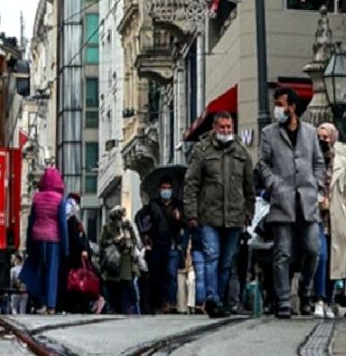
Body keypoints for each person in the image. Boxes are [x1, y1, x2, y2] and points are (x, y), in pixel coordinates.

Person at [256, 87, 325, 319]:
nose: (277, 108)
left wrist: (317, 184)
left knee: (313, 249)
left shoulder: (310, 132)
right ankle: (284, 300)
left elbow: (318, 162)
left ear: (292, 107)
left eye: (280, 104)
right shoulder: (269, 133)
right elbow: (263, 163)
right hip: (282, 200)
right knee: (282, 252)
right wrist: (273, 184)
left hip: (307, 199)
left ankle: (306, 292)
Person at [185, 111, 255, 318]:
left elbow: (249, 187)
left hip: (234, 217)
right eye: (222, 127)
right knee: (212, 255)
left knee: (226, 261)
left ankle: (220, 299)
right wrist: (192, 213)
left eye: (229, 127)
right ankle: (212, 298)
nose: (226, 131)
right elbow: (191, 184)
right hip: (209, 215)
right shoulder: (202, 151)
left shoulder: (241, 153)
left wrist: (248, 212)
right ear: (215, 128)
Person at [316, 123, 346, 319]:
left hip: (337, 218)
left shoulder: (342, 162)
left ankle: (329, 299)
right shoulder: (312, 160)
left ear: (333, 138)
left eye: (326, 137)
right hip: (318, 218)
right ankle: (319, 299)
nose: (323, 140)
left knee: (336, 263)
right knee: (322, 257)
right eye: (320, 136)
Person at [19, 168, 69, 314]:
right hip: (53, 239)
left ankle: (39, 302)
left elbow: (31, 220)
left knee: (38, 270)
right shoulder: (60, 200)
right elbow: (62, 224)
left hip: (37, 237)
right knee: (52, 272)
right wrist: (65, 247)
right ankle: (51, 305)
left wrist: (28, 243)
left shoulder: (36, 198)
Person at [137, 177, 185, 314]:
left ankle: (171, 303)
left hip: (172, 243)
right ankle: (158, 303)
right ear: (159, 190)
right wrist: (145, 237)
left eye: (168, 188)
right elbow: (140, 218)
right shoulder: (153, 205)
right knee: (156, 275)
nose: (166, 191)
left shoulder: (177, 205)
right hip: (157, 244)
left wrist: (179, 218)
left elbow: (184, 223)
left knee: (170, 273)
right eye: (164, 188)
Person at [100, 205, 141, 314]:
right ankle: (115, 309)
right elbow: (103, 243)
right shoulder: (107, 227)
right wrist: (114, 240)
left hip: (126, 261)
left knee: (126, 287)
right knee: (114, 289)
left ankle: (126, 309)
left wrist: (128, 243)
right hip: (113, 262)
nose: (119, 219)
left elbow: (134, 241)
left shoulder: (127, 227)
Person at [58, 194, 93, 314]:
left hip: (68, 258)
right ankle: (75, 306)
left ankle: (66, 305)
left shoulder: (65, 222)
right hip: (75, 259)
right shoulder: (75, 223)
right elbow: (81, 240)